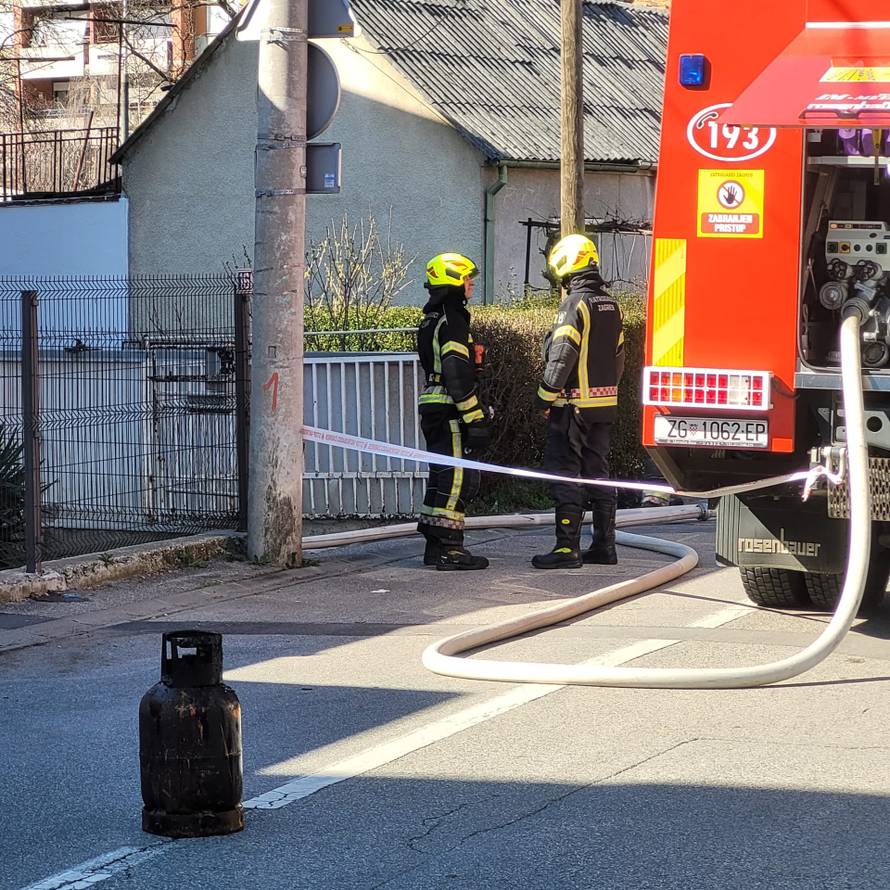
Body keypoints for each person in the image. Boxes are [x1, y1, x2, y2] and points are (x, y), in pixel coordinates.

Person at [532, 234, 625, 569]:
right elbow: (619, 358)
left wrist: (544, 397)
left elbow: (561, 356)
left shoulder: (574, 304)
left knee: (566, 474)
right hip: (603, 408)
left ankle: (566, 548)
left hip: (571, 408)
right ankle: (604, 546)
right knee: (598, 474)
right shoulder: (610, 304)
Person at [416, 252, 492, 571]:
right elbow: (456, 372)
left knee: (441, 475)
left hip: (433, 404)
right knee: (457, 478)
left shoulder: (432, 316)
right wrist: (475, 416)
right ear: (452, 281)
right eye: (466, 277)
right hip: (450, 407)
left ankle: (434, 545)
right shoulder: (453, 316)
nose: (471, 282)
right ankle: (451, 549)